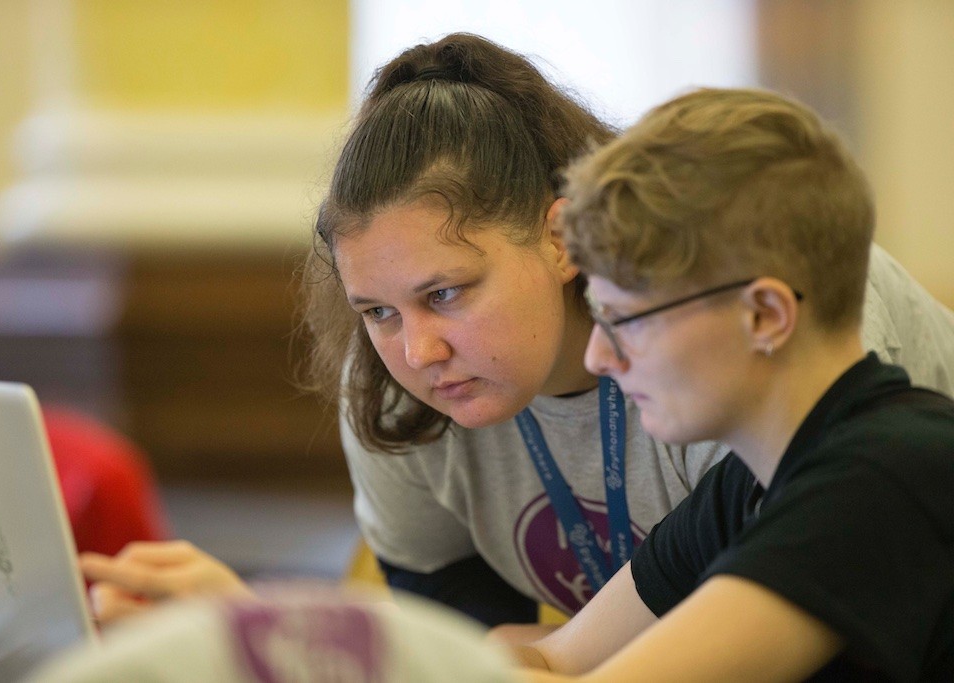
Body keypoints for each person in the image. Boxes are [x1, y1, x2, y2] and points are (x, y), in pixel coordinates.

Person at [79, 33, 954, 631]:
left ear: (560, 232)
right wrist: (260, 635)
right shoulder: (391, 391)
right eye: (377, 311)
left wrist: (269, 636)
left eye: (448, 293)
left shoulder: (735, 340)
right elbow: (484, 656)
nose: (416, 353)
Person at [511, 87, 953, 681]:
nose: (598, 355)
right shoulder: (745, 488)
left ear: (765, 315)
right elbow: (550, 656)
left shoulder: (890, 471)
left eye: (625, 320)